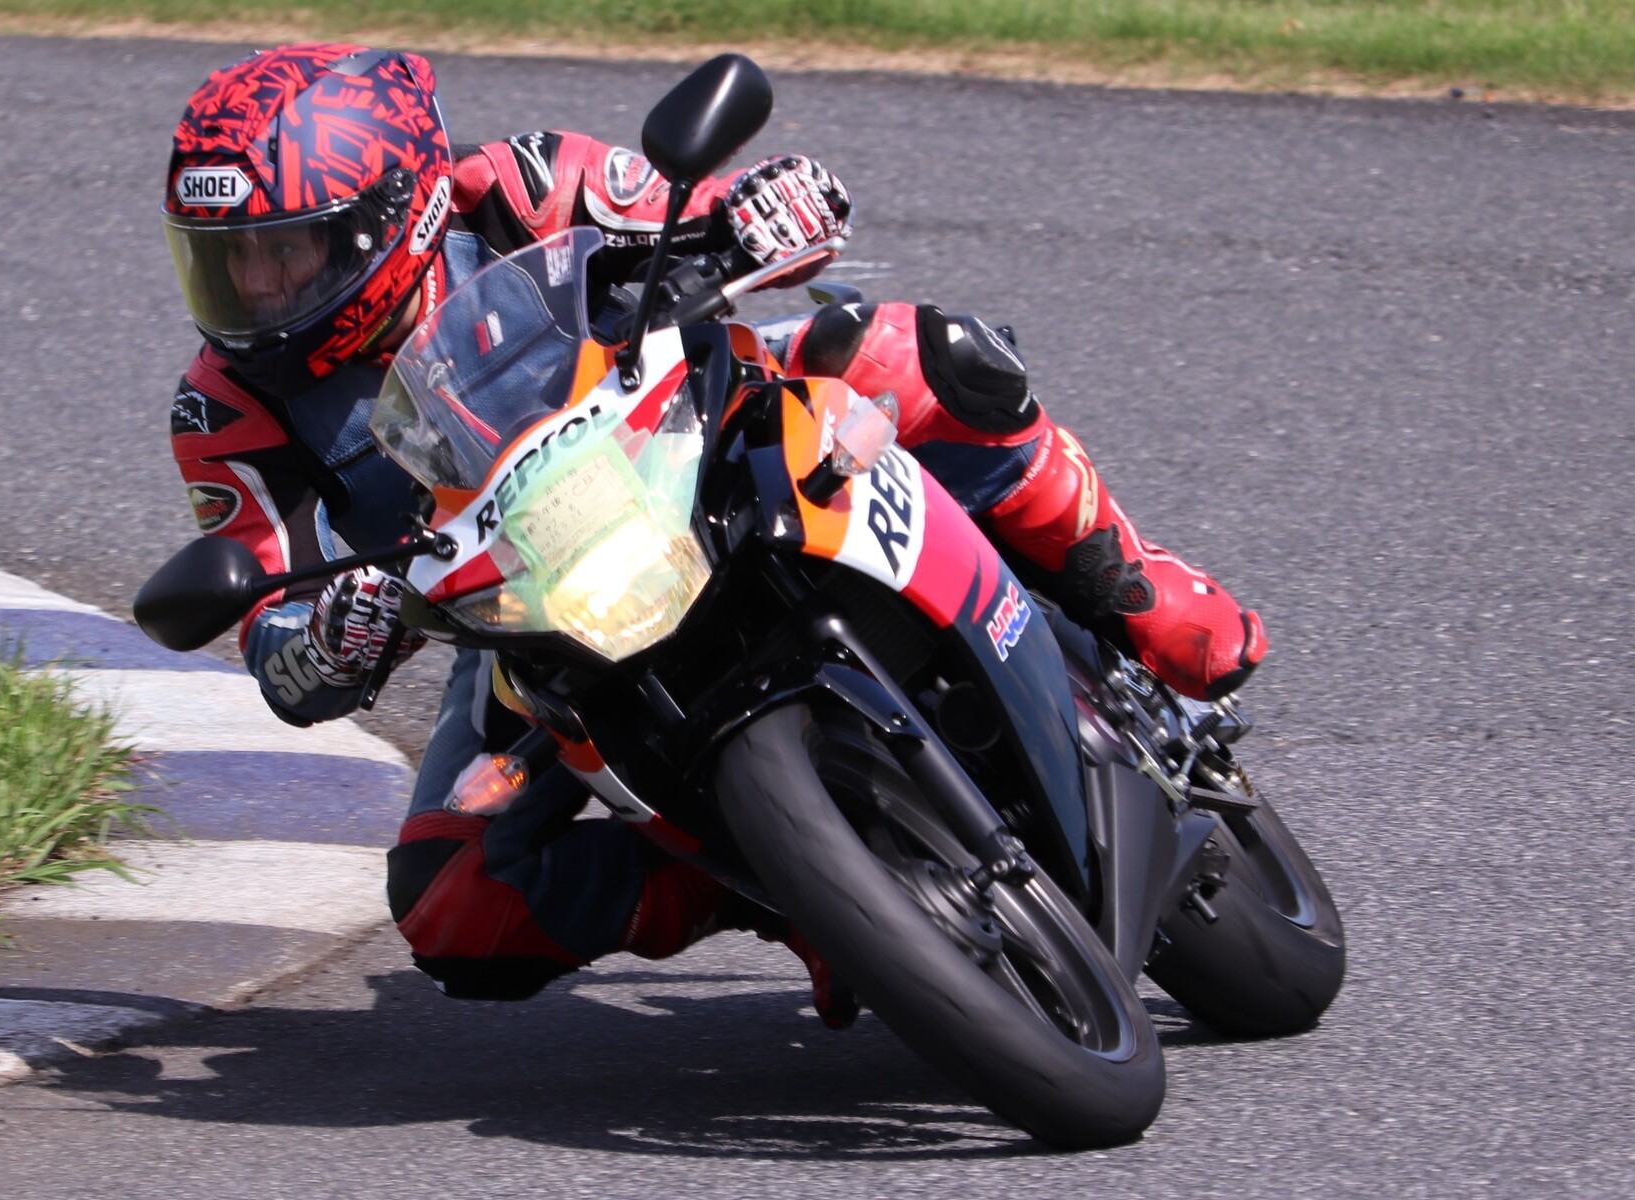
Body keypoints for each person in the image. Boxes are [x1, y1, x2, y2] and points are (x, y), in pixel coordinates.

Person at [162, 44, 1268, 1027]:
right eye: (225, 259)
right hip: (517, 610)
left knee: (927, 358)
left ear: (392, 213)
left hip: (703, 433)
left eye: (285, 251)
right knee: (452, 905)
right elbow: (271, 629)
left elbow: (700, 215)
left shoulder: (516, 186)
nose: (253, 288)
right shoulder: (226, 408)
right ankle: (806, 899)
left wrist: (775, 210)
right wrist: (329, 637)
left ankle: (1137, 593)